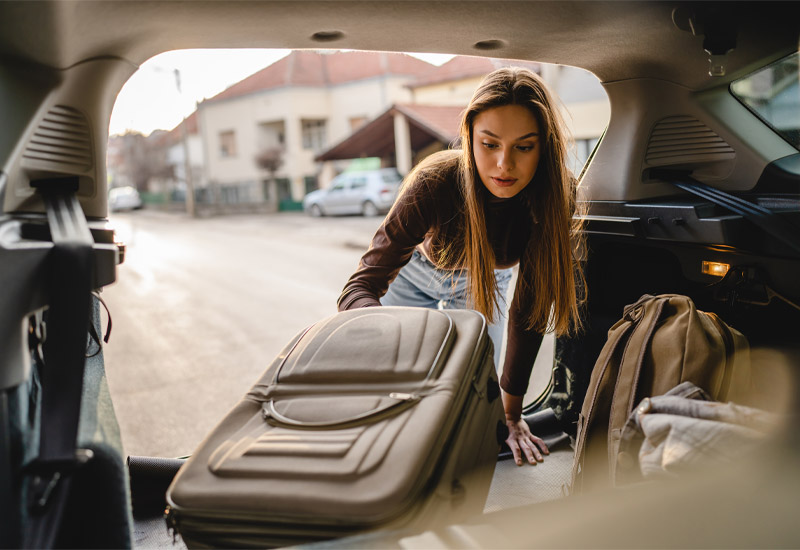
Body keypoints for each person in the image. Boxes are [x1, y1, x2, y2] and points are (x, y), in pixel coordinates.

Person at [337, 67, 585, 466]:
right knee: (402, 378)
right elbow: (359, 287)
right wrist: (384, 342)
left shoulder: (556, 195)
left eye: (524, 147)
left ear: (545, 147)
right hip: (413, 272)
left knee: (474, 389)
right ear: (469, 138)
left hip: (484, 280)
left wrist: (511, 413)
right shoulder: (435, 182)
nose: (503, 164)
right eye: (489, 144)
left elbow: (530, 306)